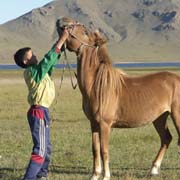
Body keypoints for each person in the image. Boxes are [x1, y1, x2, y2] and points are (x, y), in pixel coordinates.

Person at [14, 29, 69, 180]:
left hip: (42, 111)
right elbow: (46, 62)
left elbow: (50, 64)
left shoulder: (40, 72)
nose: (35, 56)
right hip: (38, 112)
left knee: (46, 147)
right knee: (40, 150)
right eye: (31, 55)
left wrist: (59, 47)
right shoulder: (32, 72)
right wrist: (62, 39)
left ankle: (41, 175)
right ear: (25, 61)